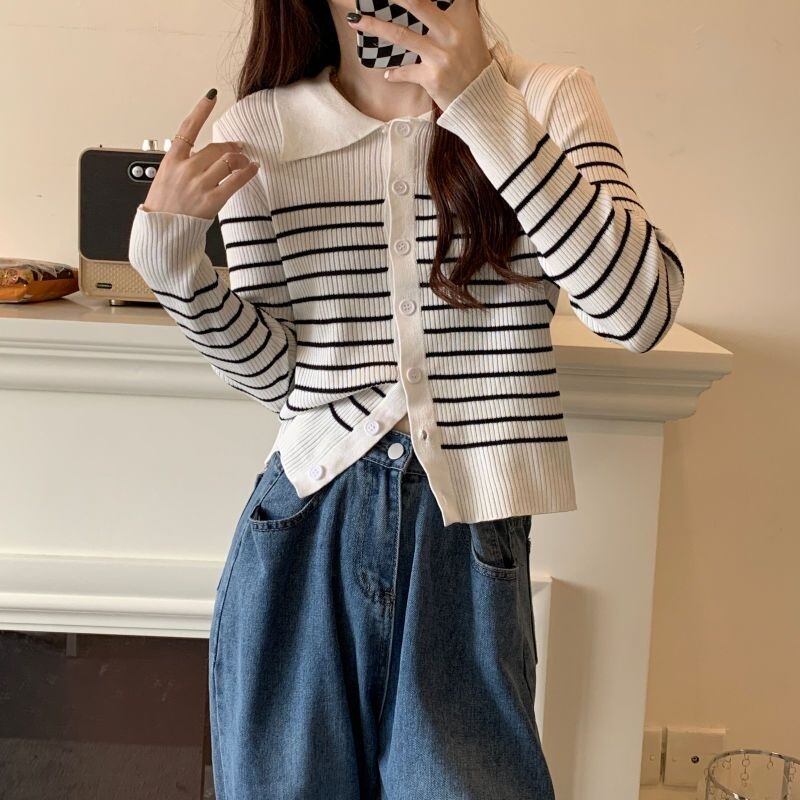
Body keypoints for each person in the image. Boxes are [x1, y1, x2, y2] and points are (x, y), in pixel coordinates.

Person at [128, 0, 685, 797]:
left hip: (470, 535)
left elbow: (640, 310)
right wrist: (174, 269)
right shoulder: (260, 129)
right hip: (307, 522)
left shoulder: (544, 98)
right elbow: (283, 378)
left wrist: (480, 104)